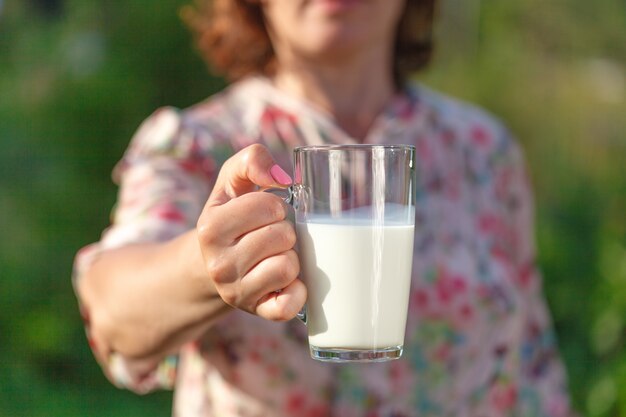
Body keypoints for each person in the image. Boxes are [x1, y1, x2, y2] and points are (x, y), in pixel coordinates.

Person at [73, 0, 576, 416]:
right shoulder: (199, 146)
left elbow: (531, 367)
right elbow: (115, 312)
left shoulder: (483, 149)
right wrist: (205, 267)